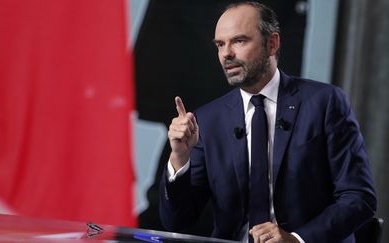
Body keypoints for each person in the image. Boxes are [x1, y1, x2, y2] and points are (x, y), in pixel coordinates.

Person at [159, 1, 377, 243]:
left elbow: (359, 197)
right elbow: (177, 222)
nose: (226, 53)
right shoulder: (207, 120)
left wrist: (296, 239)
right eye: (220, 44)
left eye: (239, 41)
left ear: (272, 43)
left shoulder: (324, 103)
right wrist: (179, 157)